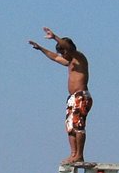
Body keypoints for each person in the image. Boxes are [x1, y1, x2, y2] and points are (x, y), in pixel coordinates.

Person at [28, 26, 91, 164]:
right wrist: (41, 48)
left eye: (64, 52)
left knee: (78, 125)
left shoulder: (79, 58)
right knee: (70, 126)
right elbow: (55, 57)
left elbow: (68, 48)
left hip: (81, 96)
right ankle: (73, 154)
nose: (62, 55)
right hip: (72, 98)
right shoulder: (69, 62)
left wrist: (55, 37)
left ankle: (79, 155)